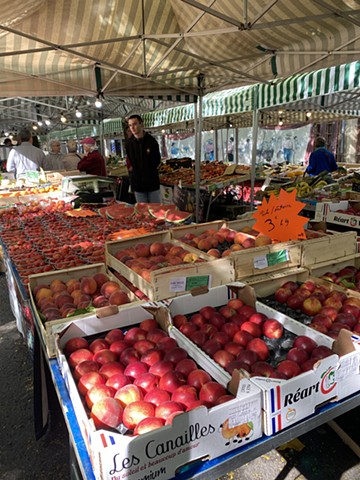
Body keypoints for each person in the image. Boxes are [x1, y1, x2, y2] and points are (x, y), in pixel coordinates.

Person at [125, 114, 161, 203]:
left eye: (135, 124)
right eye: (130, 125)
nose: (132, 127)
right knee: (142, 213)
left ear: (141, 124)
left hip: (152, 183)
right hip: (138, 185)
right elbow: (130, 162)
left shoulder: (152, 141)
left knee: (156, 211)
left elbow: (157, 161)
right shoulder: (129, 144)